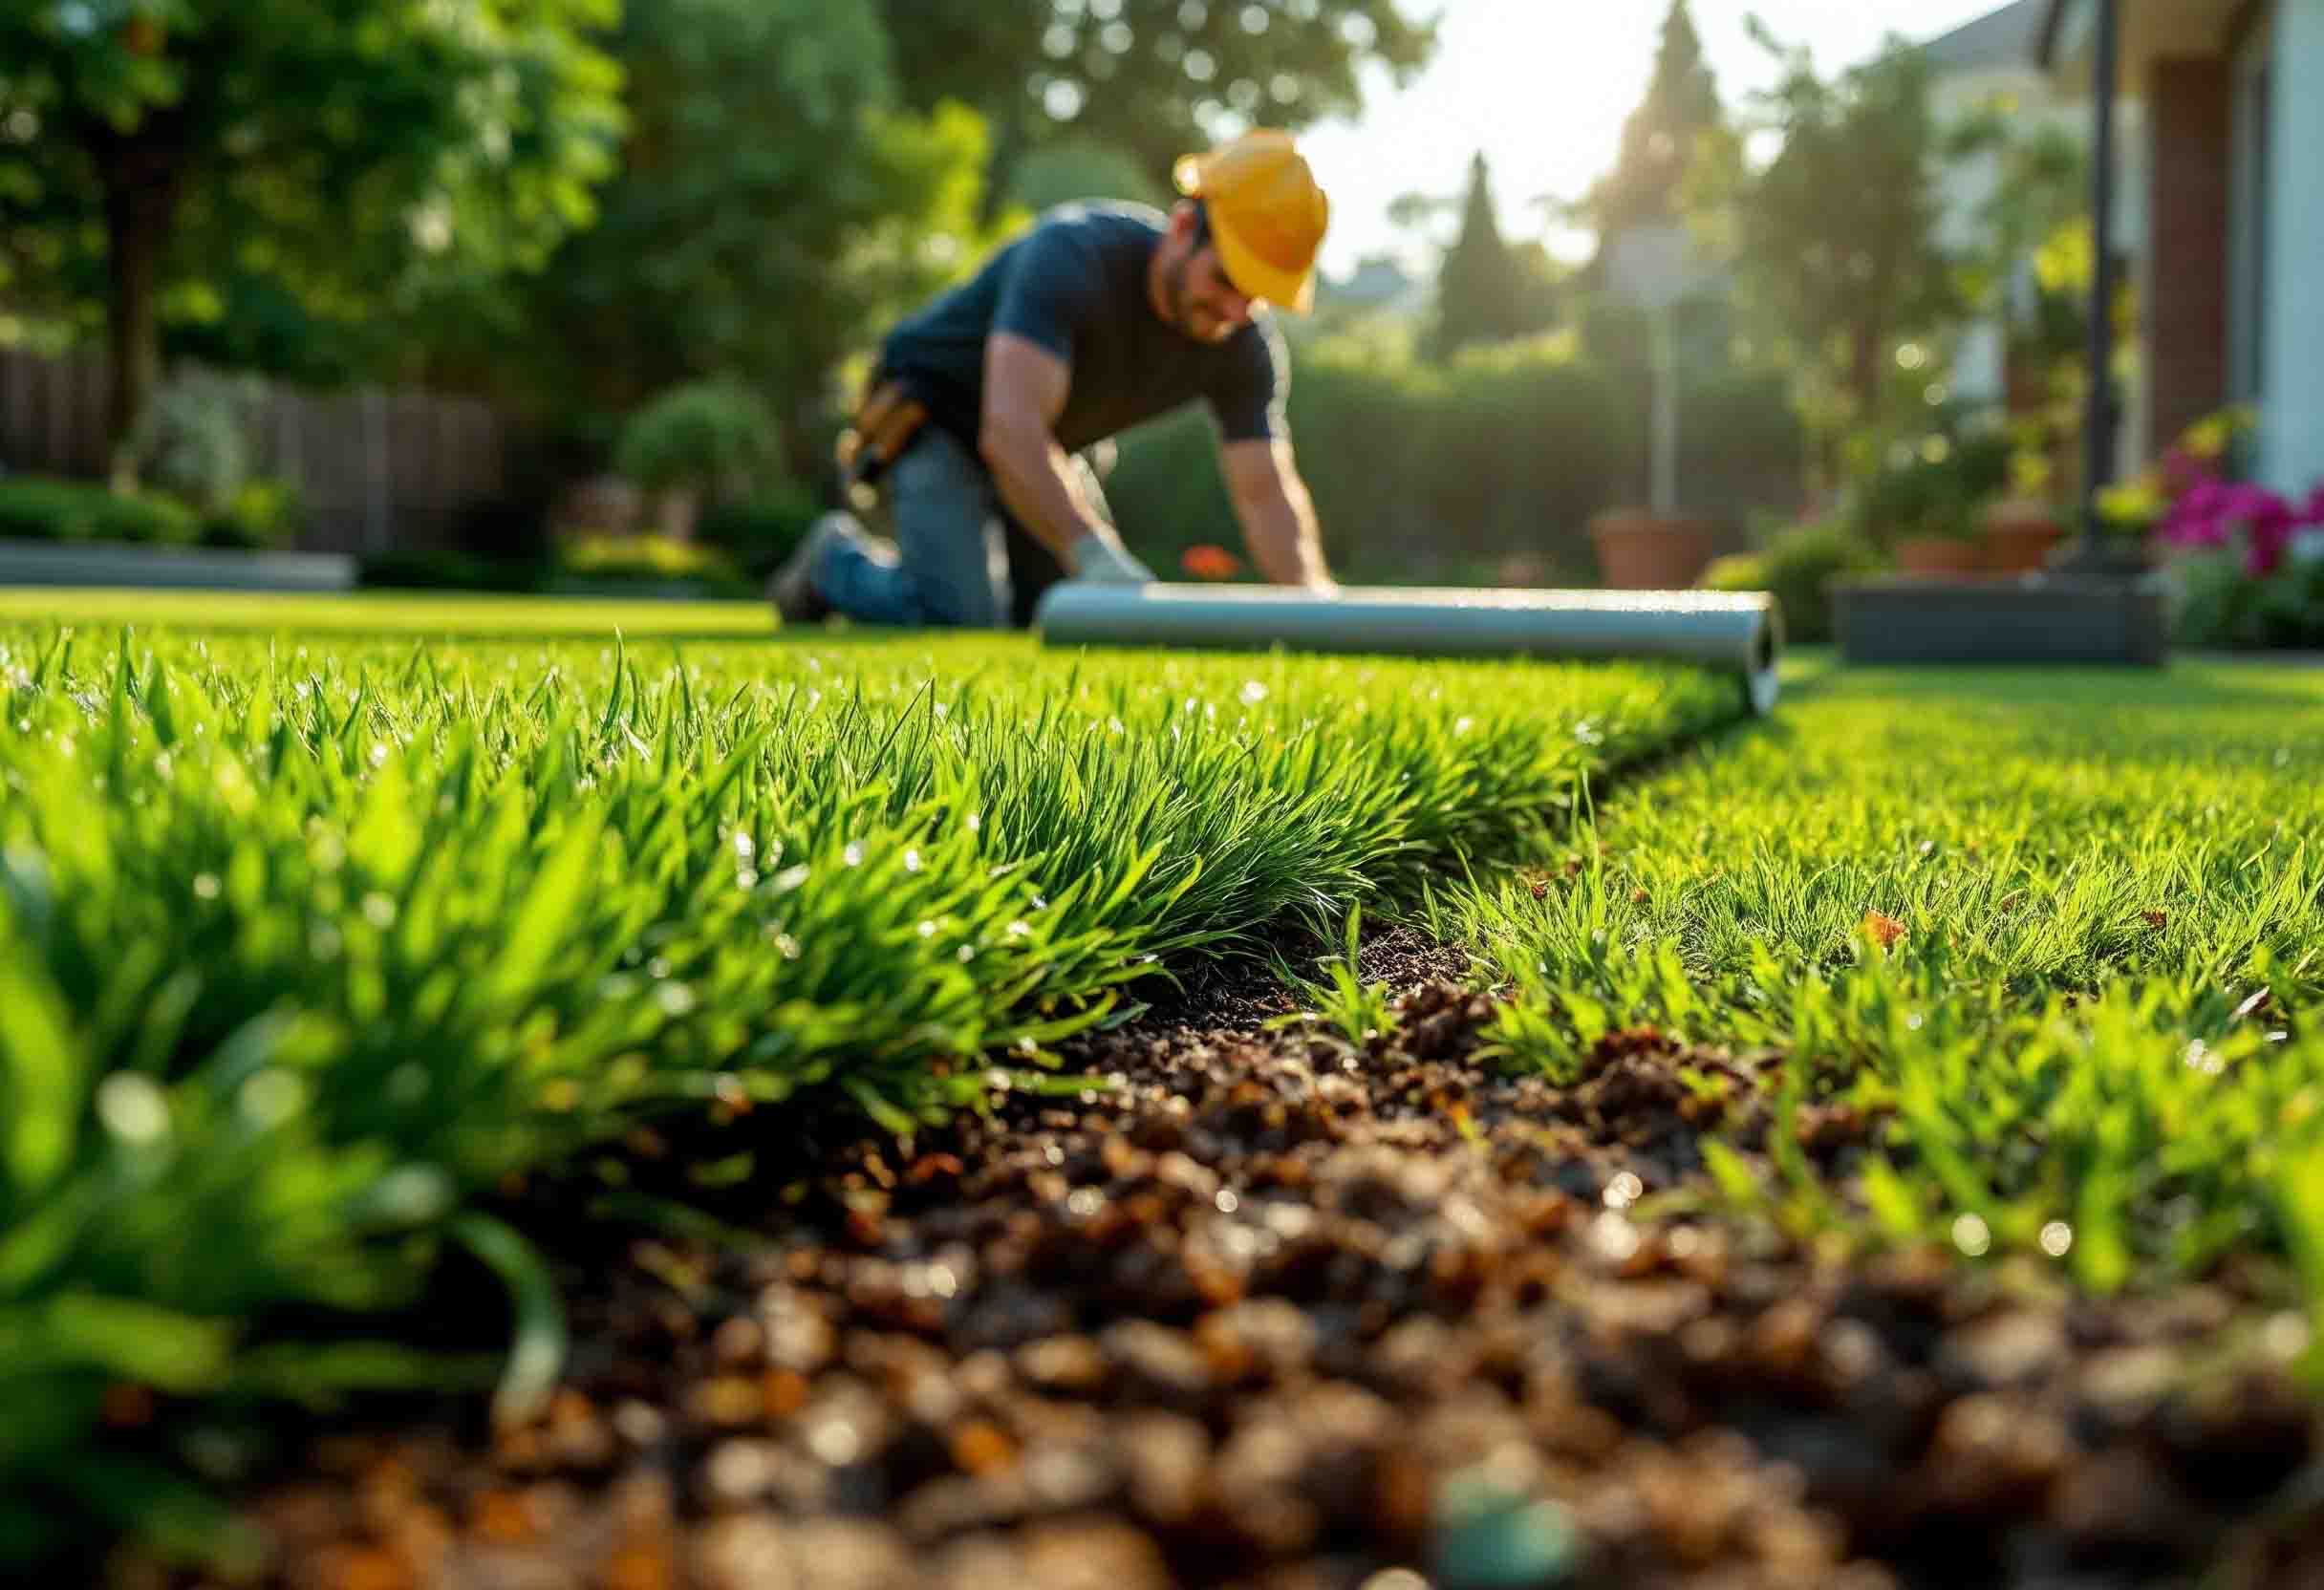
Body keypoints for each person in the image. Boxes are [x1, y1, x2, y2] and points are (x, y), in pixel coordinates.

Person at [767, 128, 1338, 629]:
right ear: (1184, 226)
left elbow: (1265, 493)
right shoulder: (1072, 255)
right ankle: (832, 563)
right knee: (961, 620)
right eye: (1226, 280)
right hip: (939, 423)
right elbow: (1009, 430)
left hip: (1050, 451)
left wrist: (1315, 607)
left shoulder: (1242, 345)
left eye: (1256, 296)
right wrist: (1093, 553)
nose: (1236, 311)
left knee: (1062, 619)